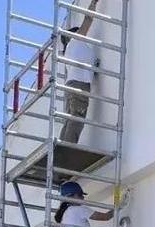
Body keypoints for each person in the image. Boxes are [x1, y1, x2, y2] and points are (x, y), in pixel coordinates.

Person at [59, 0, 101, 144]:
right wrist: (93, 3)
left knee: (70, 119)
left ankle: (62, 147)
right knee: (77, 119)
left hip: (70, 85)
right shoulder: (76, 41)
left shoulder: (70, 51)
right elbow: (88, 19)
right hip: (80, 85)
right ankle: (67, 148)